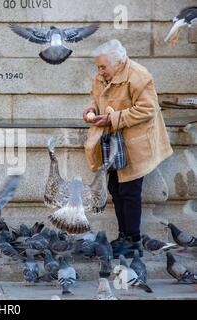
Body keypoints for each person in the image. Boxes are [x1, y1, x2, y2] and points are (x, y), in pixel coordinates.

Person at [83, 39, 173, 258]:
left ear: (119, 62)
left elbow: (148, 109)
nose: (100, 71)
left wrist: (112, 118)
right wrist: (91, 109)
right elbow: (97, 100)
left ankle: (133, 241)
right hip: (114, 143)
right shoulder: (103, 76)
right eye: (98, 67)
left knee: (130, 192)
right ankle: (123, 236)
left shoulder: (139, 75)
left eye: (103, 66)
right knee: (115, 188)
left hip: (136, 144)